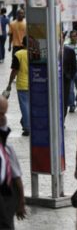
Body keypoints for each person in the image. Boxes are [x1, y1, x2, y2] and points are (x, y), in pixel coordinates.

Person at [0, 96, 26, 229]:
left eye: (4, 113)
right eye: (1, 113)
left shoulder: (7, 148)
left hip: (6, 199)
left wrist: (20, 201)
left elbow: (17, 177)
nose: (4, 118)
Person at [6, 37, 29, 136]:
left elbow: (14, 71)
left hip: (22, 84)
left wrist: (9, 83)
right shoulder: (36, 54)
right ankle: (25, 122)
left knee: (24, 106)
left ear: (22, 44)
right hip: (35, 83)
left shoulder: (18, 54)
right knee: (30, 106)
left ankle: (27, 127)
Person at [62, 44, 77, 119]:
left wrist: (70, 76)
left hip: (65, 80)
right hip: (52, 80)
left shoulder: (69, 50)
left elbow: (74, 66)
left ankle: (62, 119)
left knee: (64, 100)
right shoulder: (50, 48)